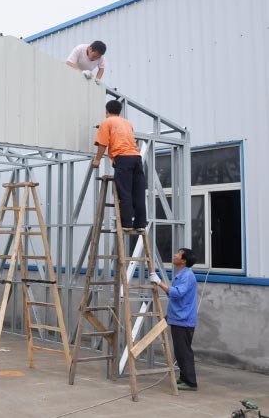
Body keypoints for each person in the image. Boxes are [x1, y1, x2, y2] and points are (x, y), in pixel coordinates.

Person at [92, 100, 147, 230]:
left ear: (107, 111)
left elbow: (103, 144)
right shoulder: (127, 123)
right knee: (138, 192)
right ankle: (140, 224)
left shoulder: (106, 122)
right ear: (120, 111)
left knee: (124, 191)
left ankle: (126, 224)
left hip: (123, 158)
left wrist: (97, 160)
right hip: (136, 158)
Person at [150, 248, 199, 391]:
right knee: (180, 351)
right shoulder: (181, 274)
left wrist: (159, 282)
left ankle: (190, 382)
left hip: (183, 320)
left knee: (184, 352)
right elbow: (174, 295)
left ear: (183, 260)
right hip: (178, 317)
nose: (175, 255)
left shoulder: (187, 275)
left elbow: (177, 293)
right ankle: (184, 378)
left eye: (178, 254)